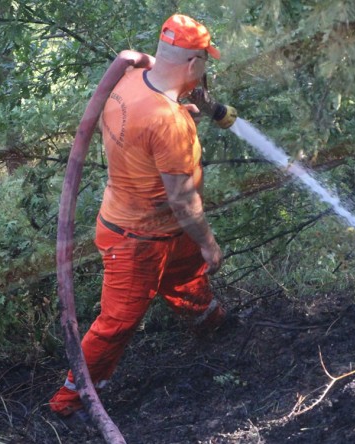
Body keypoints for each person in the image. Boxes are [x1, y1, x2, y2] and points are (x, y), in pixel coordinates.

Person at [49, 13, 235, 419]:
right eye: (205, 62)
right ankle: (71, 400)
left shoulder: (133, 76)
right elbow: (184, 202)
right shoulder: (168, 122)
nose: (206, 71)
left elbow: (144, 126)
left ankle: (210, 324)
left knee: (186, 276)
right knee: (117, 322)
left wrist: (187, 109)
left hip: (163, 231)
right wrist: (209, 243)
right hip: (135, 241)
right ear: (192, 64)